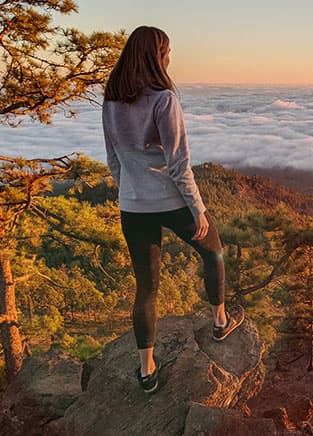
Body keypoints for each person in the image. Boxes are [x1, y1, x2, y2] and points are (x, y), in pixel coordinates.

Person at [102, 25, 244, 394]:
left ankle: (147, 370)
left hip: (134, 206)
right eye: (167, 51)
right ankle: (219, 320)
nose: (170, 57)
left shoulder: (111, 100)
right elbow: (179, 164)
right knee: (214, 252)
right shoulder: (164, 99)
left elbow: (113, 159)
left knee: (146, 288)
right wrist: (197, 209)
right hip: (173, 201)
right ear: (156, 56)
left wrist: (129, 194)